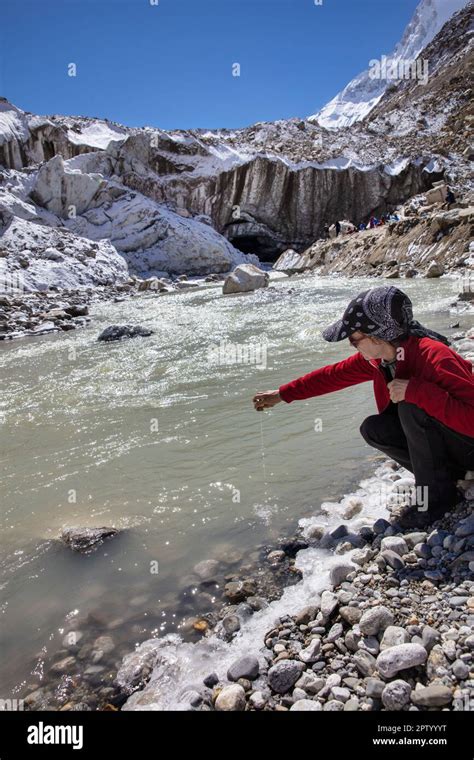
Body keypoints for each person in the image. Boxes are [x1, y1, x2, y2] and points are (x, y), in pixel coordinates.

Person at [252, 286, 474, 530]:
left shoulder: (434, 356)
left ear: (377, 336)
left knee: (411, 406)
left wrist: (417, 391)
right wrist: (282, 394)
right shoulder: (378, 360)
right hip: (452, 446)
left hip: (468, 445)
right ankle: (445, 479)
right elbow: (330, 376)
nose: (351, 345)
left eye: (354, 339)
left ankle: (438, 500)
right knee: (374, 429)